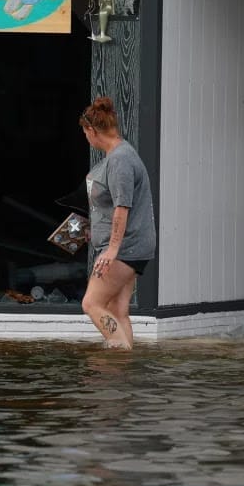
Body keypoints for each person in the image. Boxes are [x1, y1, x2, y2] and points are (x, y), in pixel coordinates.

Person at [79, 97, 156, 349]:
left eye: (84, 132)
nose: (86, 138)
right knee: (118, 309)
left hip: (125, 249)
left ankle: (116, 352)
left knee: (91, 304)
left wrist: (112, 249)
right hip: (131, 246)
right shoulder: (119, 154)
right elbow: (112, 206)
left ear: (91, 130)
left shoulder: (120, 159)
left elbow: (123, 207)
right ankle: (123, 367)